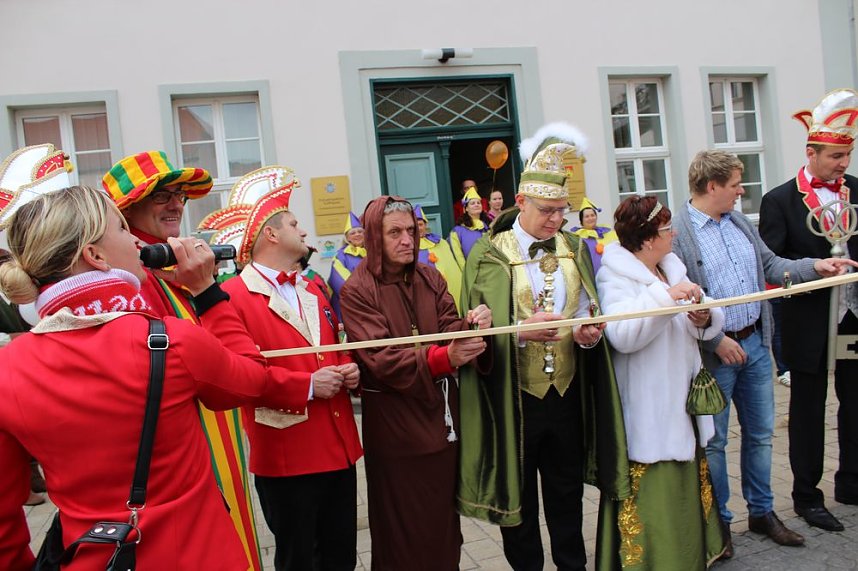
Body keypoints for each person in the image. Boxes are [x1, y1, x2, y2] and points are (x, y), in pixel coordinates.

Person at [0, 185, 311, 570]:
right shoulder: (170, 341)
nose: (134, 240)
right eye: (120, 228)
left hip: (91, 558)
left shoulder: (9, 369)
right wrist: (205, 289)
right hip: (199, 556)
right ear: (95, 256)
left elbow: (2, 516)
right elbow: (253, 379)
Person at [457, 123, 630, 571]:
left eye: (562, 210)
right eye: (546, 210)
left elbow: (590, 307)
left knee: (566, 495)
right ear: (520, 203)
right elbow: (473, 324)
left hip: (567, 394)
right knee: (521, 503)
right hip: (516, 398)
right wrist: (517, 332)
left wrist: (590, 332)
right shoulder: (489, 252)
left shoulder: (575, 248)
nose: (556, 220)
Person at [672, 149, 856, 557]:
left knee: (759, 436)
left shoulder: (737, 221)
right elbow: (678, 303)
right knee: (716, 442)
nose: (741, 191)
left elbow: (772, 265)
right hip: (716, 352)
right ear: (712, 185)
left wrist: (816, 267)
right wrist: (715, 340)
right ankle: (719, 521)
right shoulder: (680, 231)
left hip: (754, 344)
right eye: (736, 184)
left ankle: (762, 511)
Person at [103, 151, 263, 570]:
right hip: (188, 464)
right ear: (127, 209)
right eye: (161, 197)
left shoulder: (171, 268)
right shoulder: (134, 281)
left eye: (179, 196)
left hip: (220, 448)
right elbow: (241, 375)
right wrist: (209, 291)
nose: (176, 204)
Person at [340, 196, 491, 570]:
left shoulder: (430, 277)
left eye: (410, 230)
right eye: (395, 233)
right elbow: (383, 360)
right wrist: (445, 356)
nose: (407, 239)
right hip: (395, 431)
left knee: (442, 526)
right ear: (374, 237)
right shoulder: (357, 290)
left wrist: (471, 326)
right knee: (402, 529)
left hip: (440, 423)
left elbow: (446, 328)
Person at [219, 180, 363, 570]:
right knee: (298, 561)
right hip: (287, 455)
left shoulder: (313, 287)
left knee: (340, 560)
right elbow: (238, 375)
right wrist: (308, 385)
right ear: (271, 233)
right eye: (295, 223)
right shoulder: (231, 296)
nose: (303, 231)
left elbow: (332, 345)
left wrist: (348, 366)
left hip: (338, 446)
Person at [594, 195, 726, 569]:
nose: (674, 233)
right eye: (667, 228)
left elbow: (700, 314)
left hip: (681, 399)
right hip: (649, 405)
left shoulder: (671, 267)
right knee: (655, 494)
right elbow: (622, 336)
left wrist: (703, 316)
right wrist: (663, 299)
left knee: (686, 485)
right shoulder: (614, 275)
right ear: (649, 237)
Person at [759, 88, 858, 532]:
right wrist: (815, 273)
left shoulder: (856, 191)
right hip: (808, 324)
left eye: (847, 155)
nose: (843, 164)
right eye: (835, 156)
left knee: (855, 402)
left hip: (852, 320)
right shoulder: (779, 201)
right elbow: (773, 270)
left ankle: (852, 481)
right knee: (808, 409)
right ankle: (806, 495)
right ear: (811, 152)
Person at [414, 203, 463, 313]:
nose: (418, 228)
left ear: (425, 225)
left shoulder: (440, 242)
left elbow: (451, 267)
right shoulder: (408, 246)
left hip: (444, 288)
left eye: (420, 224)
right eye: (415, 225)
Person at [328, 211, 366, 319]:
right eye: (353, 233)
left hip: (372, 302)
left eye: (360, 231)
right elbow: (340, 282)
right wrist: (362, 296)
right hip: (351, 304)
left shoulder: (372, 253)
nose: (357, 234)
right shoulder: (340, 256)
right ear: (347, 238)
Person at [570, 196, 618, 274]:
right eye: (587, 216)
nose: (590, 218)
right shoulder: (577, 238)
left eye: (592, 215)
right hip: (589, 275)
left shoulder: (607, 233)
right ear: (581, 220)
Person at [449, 187, 491, 265]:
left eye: (478, 203)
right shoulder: (457, 231)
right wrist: (467, 273)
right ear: (466, 209)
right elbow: (458, 256)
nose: (476, 205)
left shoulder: (489, 227)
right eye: (472, 203)